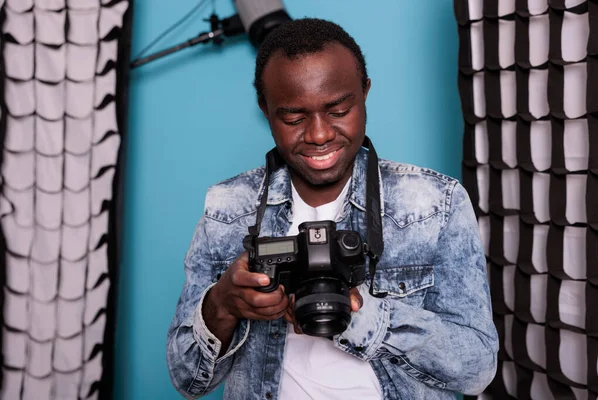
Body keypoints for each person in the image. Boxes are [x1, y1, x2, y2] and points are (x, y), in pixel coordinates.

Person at [166, 18, 499, 400]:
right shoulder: (228, 208)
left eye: (339, 110)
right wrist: (224, 302)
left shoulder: (433, 204)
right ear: (266, 109)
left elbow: (476, 370)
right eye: (293, 117)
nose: (320, 134)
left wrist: (362, 314)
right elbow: (188, 379)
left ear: (364, 92)